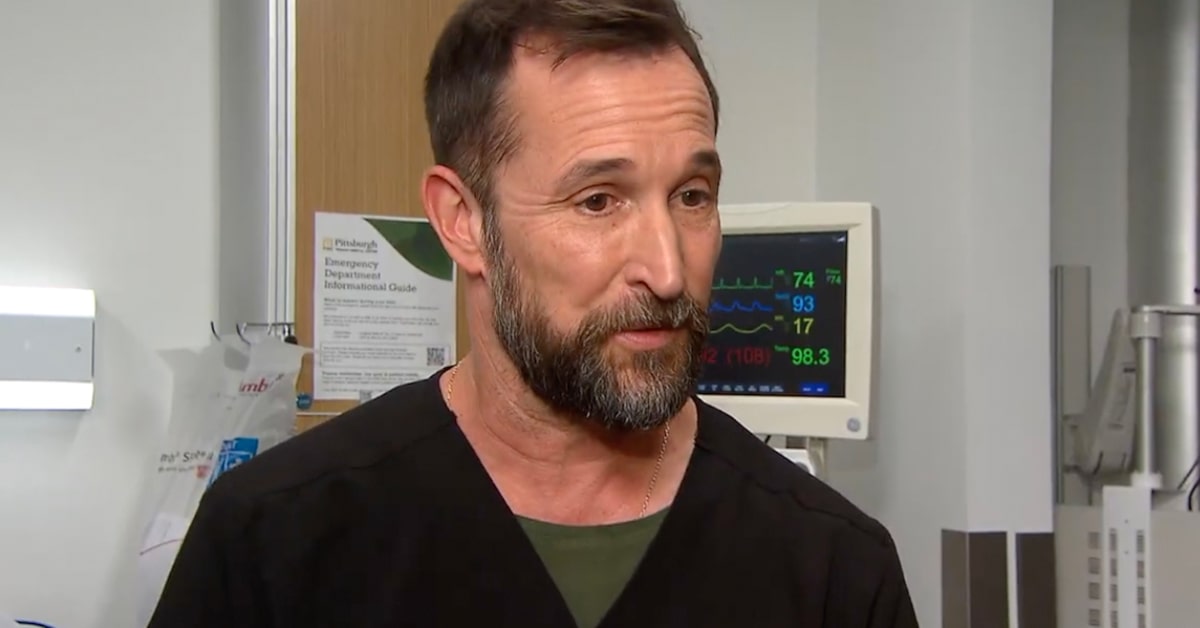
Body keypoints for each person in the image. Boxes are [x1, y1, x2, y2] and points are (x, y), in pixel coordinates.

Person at [148, 0, 918, 626]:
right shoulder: (270, 542)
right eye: (598, 201)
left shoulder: (833, 570)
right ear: (463, 222)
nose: (667, 270)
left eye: (692, 196)